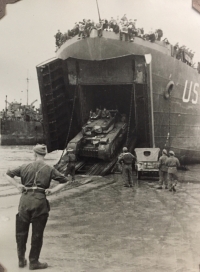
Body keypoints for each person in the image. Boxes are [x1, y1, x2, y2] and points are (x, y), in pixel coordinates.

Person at [6, 144, 69, 270]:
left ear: (34, 154)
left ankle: (21, 260)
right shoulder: (49, 169)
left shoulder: (24, 166)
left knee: (21, 232)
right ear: (44, 155)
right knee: (37, 233)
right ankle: (34, 262)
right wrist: (53, 190)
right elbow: (65, 180)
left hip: (25, 200)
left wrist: (17, 185)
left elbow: (7, 174)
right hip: (40, 201)